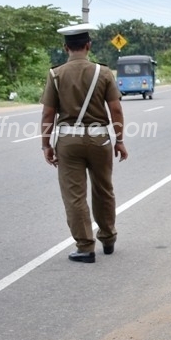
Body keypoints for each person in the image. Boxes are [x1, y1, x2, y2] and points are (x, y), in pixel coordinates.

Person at [40, 23, 129, 263]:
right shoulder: (104, 73)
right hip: (100, 139)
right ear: (88, 46)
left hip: (69, 141)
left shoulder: (55, 75)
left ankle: (85, 247)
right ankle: (108, 238)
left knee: (74, 195)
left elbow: (48, 115)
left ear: (65, 48)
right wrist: (118, 140)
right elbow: (116, 110)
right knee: (103, 189)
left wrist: (46, 145)